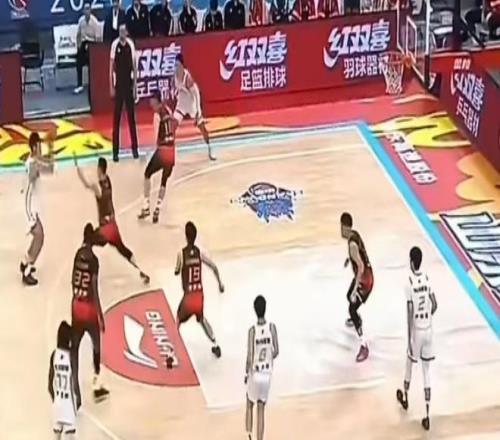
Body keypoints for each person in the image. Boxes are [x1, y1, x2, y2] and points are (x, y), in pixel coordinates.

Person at [74, 155, 150, 284]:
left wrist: (78, 168)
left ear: (99, 169)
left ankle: (84, 267)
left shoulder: (98, 187)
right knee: (123, 249)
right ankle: (140, 270)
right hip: (113, 226)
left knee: (88, 238)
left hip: (105, 230)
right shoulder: (108, 181)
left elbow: (86, 184)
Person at [397, 246, 437, 431]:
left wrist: (409, 337)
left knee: (409, 364)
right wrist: (428, 315)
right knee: (426, 371)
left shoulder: (409, 282)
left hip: (417, 331)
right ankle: (427, 414)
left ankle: (405, 396)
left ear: (412, 262)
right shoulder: (427, 279)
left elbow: (410, 311)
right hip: (428, 329)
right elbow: (435, 304)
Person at [71, 223, 110, 403]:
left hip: (76, 304)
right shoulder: (94, 260)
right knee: (96, 345)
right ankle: (96, 383)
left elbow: (73, 280)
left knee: (75, 347)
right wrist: (100, 316)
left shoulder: (77, 255)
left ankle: (75, 388)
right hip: (88, 307)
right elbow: (94, 289)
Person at [175, 221, 224, 359]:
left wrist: (180, 269)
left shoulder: (181, 254)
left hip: (188, 297)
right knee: (201, 319)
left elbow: (177, 270)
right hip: (199, 296)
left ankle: (172, 354)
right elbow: (214, 267)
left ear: (186, 236)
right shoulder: (199, 254)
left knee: (177, 321)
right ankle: (215, 343)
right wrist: (220, 284)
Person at [20, 131, 55, 286]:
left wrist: (51, 149)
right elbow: (47, 169)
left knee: (38, 237)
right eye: (39, 147)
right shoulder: (33, 164)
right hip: (29, 207)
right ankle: (27, 271)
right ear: (34, 147)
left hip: (32, 206)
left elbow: (49, 167)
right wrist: (50, 150)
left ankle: (25, 261)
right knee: (39, 237)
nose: (41, 149)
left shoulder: (33, 161)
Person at [138, 90, 176, 223]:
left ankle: (146, 206)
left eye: (151, 100)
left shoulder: (157, 116)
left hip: (163, 151)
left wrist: (149, 154)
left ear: (155, 100)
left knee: (147, 174)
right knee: (163, 181)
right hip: (172, 151)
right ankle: (157, 209)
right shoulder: (168, 110)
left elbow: (156, 139)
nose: (150, 103)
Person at [340, 212, 373, 362]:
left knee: (352, 308)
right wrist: (349, 259)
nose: (340, 231)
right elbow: (359, 254)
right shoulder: (354, 235)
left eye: (341, 227)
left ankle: (364, 345)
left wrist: (355, 290)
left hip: (365, 282)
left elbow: (360, 267)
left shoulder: (352, 245)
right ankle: (356, 319)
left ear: (345, 227)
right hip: (364, 276)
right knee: (349, 296)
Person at [245, 295, 279, 440]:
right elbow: (276, 351)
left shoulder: (252, 331)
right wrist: (268, 358)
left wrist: (246, 373)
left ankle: (248, 435)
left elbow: (250, 356)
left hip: (255, 373)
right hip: (267, 374)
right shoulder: (272, 327)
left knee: (249, 403)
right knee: (261, 409)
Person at [173, 54, 215, 160]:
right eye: (175, 64)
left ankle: (210, 148)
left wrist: (198, 111)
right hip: (181, 105)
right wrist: (175, 93)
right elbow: (175, 88)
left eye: (178, 64)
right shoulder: (174, 76)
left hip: (192, 104)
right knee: (172, 127)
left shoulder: (187, 78)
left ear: (182, 65)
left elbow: (196, 94)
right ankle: (169, 152)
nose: (176, 67)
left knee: (202, 128)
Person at [109, 24, 139, 162]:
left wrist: (135, 87)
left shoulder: (131, 45)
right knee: (116, 120)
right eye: (120, 31)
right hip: (119, 86)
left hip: (128, 85)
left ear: (126, 32)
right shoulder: (115, 45)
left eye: (123, 31)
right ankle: (115, 152)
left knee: (132, 119)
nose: (122, 33)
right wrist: (111, 85)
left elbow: (135, 67)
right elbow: (111, 67)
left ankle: (135, 149)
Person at [48, 321, 78, 440]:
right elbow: (75, 384)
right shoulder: (71, 357)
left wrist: (56, 400)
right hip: (68, 407)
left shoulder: (54, 355)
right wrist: (77, 403)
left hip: (57, 406)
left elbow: (50, 385)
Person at [74, 2, 100, 94]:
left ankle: (92, 84)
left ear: (91, 10)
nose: (87, 11)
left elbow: (98, 38)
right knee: (78, 62)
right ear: (83, 11)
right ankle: (79, 85)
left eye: (88, 9)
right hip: (83, 43)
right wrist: (78, 46)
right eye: (85, 9)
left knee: (90, 61)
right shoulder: (81, 21)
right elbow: (78, 35)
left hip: (92, 44)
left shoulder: (94, 22)